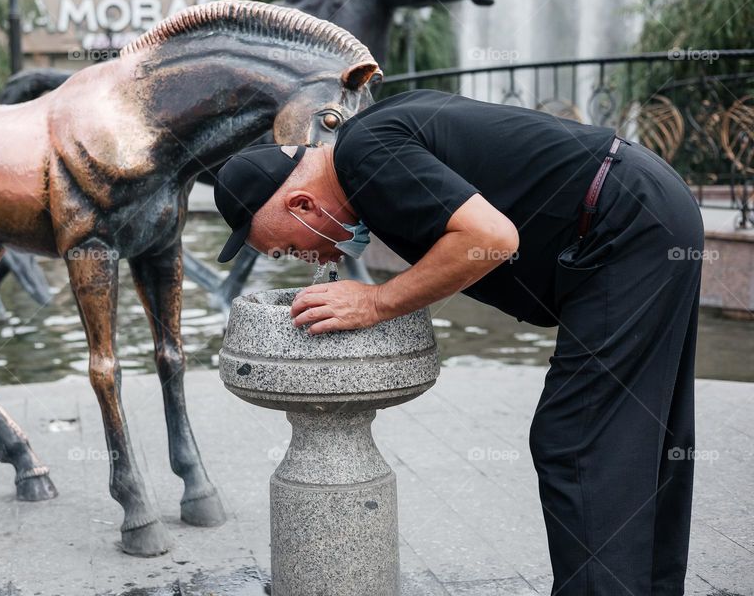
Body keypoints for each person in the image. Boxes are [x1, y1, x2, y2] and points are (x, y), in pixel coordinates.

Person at [212, 89, 703, 595]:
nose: (309, 259)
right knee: (648, 432)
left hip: (624, 224)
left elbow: (489, 237)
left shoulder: (364, 155)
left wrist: (377, 302)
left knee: (577, 440)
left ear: (301, 203)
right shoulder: (367, 145)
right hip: (639, 209)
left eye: (290, 246)